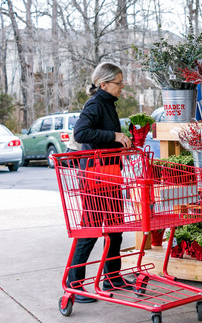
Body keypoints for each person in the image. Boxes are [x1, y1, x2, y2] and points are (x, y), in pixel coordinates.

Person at [67, 62, 132, 303]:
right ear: (103, 84)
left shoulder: (108, 105)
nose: (122, 86)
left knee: (115, 230)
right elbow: (81, 133)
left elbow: (102, 140)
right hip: (95, 178)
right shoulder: (95, 104)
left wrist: (120, 145)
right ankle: (74, 284)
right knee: (90, 232)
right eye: (118, 82)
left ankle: (112, 278)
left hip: (111, 174)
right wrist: (114, 136)